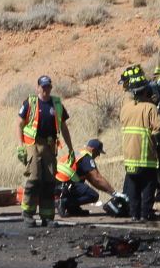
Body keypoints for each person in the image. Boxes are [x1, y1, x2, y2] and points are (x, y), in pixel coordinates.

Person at [16, 75, 72, 228]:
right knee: (34, 179)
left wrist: (70, 147)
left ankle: (47, 216)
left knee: (49, 181)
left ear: (51, 87)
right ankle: (27, 213)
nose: (45, 89)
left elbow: (64, 127)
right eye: (43, 86)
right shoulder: (31, 103)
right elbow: (19, 124)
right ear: (38, 87)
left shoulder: (57, 104)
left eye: (48, 86)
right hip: (33, 144)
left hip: (49, 145)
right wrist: (21, 146)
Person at [119, 64, 160, 221]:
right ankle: (146, 214)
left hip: (130, 156)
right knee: (148, 186)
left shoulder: (125, 108)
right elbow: (159, 130)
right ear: (145, 90)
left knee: (133, 186)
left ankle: (134, 214)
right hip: (146, 156)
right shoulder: (150, 108)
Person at [55, 139, 116, 216]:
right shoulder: (86, 158)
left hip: (57, 184)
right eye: (98, 153)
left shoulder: (77, 155)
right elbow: (97, 178)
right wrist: (113, 192)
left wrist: (106, 190)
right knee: (93, 195)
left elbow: (93, 180)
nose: (98, 155)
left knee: (80, 184)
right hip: (65, 183)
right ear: (93, 150)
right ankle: (65, 202)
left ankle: (73, 208)